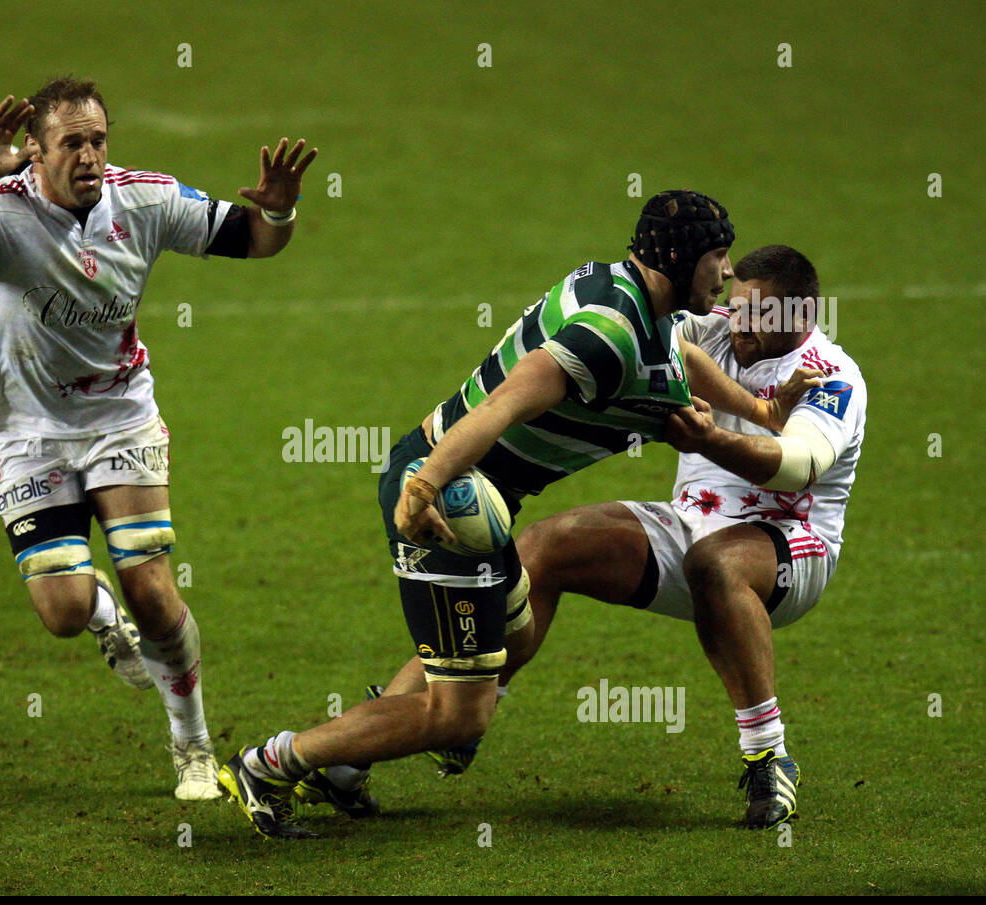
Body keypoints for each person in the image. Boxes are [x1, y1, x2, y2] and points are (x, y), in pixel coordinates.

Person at [219, 191, 821, 838]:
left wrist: (759, 412)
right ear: (678, 260)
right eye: (718, 256)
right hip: (452, 499)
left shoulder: (631, 299)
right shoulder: (608, 337)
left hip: (479, 496)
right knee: (459, 715)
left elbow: (679, 357)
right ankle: (270, 763)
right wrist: (422, 486)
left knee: (518, 634)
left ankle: (337, 765)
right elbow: (503, 405)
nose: (726, 272)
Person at [0, 77, 316, 800]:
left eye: (97, 140)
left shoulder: (143, 199)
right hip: (27, 431)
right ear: (36, 151)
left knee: (151, 587)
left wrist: (279, 208)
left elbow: (254, 239)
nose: (89, 156)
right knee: (60, 613)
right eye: (71, 143)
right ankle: (99, 616)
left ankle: (192, 743)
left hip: (119, 417)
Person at [497, 245, 865, 828]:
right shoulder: (712, 334)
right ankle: (463, 704)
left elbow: (795, 465)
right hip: (691, 526)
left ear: (800, 317)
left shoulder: (830, 375)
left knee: (717, 563)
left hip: (790, 544)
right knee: (542, 546)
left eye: (758, 315)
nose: (738, 322)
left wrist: (709, 440)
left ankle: (769, 756)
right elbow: (633, 321)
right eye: (737, 306)